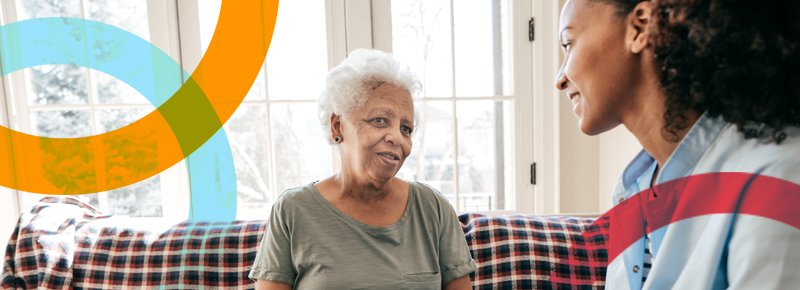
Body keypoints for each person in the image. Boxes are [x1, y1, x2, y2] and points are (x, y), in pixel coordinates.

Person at [555, 0, 800, 289]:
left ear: (639, 27)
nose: (560, 79)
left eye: (568, 44)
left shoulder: (777, 177)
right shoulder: (632, 190)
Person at [249, 49, 477, 289]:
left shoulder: (433, 208)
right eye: (380, 120)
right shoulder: (293, 211)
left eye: (406, 128)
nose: (397, 137)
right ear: (338, 126)